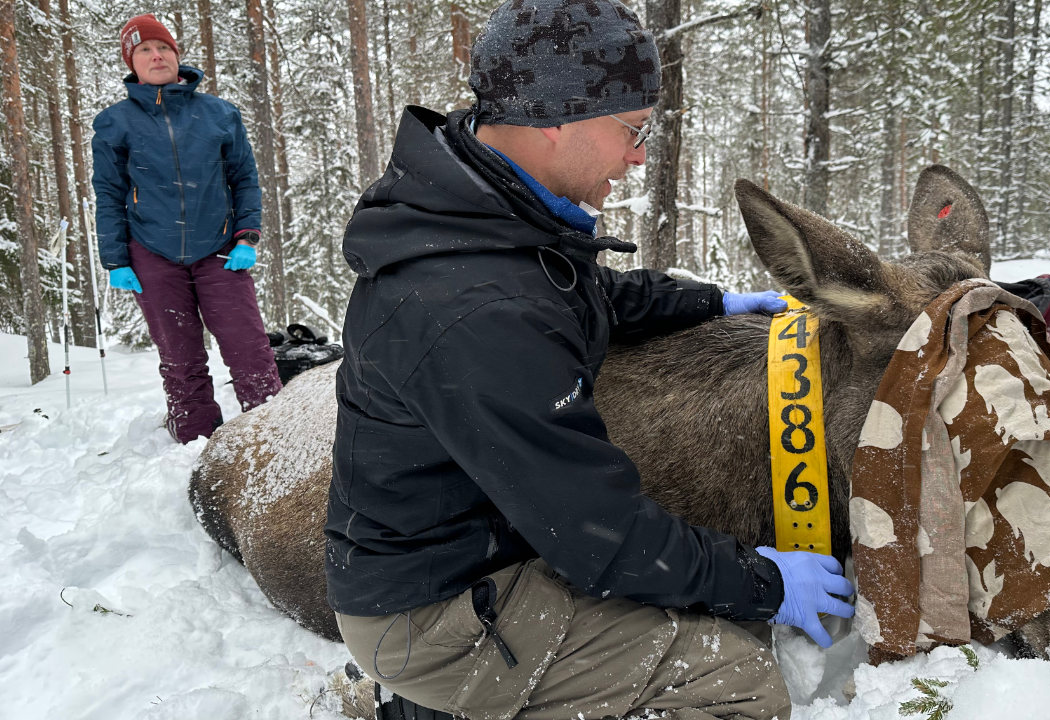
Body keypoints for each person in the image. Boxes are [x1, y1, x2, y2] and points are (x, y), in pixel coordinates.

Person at [325, 1, 855, 719]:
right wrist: (766, 581)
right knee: (738, 680)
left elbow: (579, 291)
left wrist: (711, 305)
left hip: (466, 551)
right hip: (437, 613)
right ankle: (437, 701)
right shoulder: (476, 312)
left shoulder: (478, 207)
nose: (638, 156)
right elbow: (600, 537)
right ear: (554, 116)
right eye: (631, 131)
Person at [92, 14, 281, 444]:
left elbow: (245, 179)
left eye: (164, 48)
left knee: (249, 350)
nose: (156, 56)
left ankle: (273, 433)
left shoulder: (219, 114)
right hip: (152, 254)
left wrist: (247, 235)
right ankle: (194, 442)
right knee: (180, 359)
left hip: (218, 249)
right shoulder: (114, 123)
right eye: (144, 50)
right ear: (132, 62)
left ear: (177, 56)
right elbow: (108, 194)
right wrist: (116, 259)